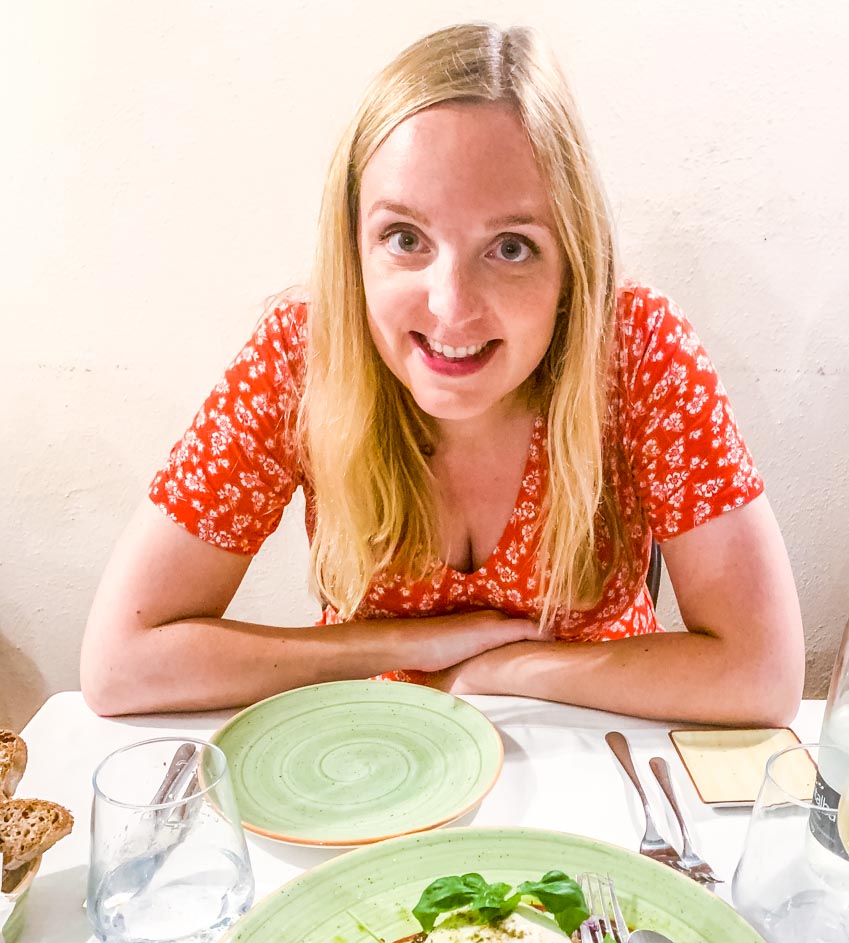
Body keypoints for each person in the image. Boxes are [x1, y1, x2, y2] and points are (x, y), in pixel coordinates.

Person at [81, 22, 804, 723]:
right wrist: (409, 645)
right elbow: (121, 666)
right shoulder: (300, 354)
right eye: (405, 238)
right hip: (382, 750)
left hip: (596, 748)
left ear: (571, 265)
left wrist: (498, 669)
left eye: (511, 248)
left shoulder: (638, 348)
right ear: (354, 245)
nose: (451, 309)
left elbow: (763, 675)